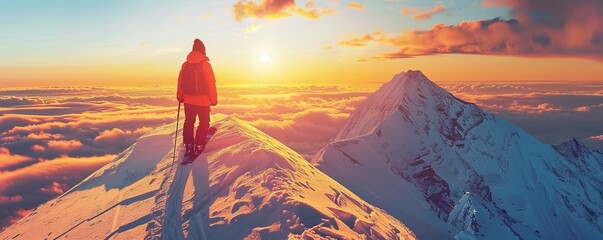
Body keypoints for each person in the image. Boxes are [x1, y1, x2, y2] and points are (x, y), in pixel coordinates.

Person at [177, 39, 218, 156]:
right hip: (203, 101)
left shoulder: (185, 65)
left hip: (188, 100)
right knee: (204, 123)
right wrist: (214, 100)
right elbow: (211, 83)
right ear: (203, 51)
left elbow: (180, 82)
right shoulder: (206, 65)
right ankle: (199, 144)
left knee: (189, 122)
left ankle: (188, 144)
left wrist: (180, 96)